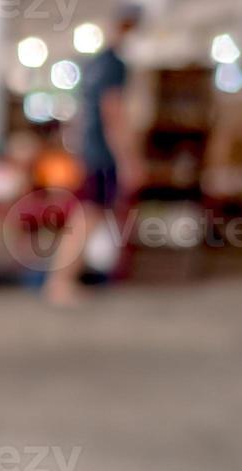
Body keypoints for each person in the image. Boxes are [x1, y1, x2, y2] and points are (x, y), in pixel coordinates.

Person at [44, 6, 145, 307]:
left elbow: (80, 114)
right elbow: (113, 112)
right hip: (102, 155)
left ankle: (64, 280)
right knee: (88, 217)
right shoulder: (114, 65)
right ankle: (60, 282)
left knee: (89, 216)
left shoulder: (93, 63)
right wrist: (129, 159)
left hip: (90, 151)